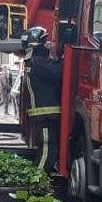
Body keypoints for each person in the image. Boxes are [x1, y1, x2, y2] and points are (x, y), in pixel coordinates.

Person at [24, 30, 64, 172]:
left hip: (45, 114)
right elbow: (58, 72)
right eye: (44, 42)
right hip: (45, 114)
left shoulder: (33, 62)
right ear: (36, 45)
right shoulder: (38, 63)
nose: (47, 45)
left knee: (49, 149)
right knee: (47, 150)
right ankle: (37, 182)